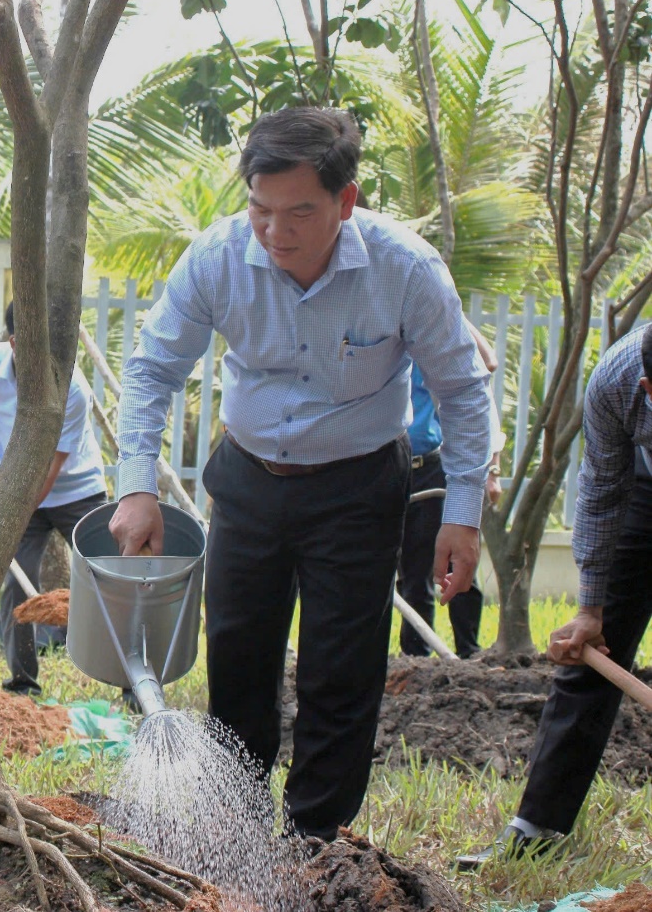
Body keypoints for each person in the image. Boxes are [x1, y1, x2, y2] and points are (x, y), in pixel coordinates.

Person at [111, 106, 492, 842]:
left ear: (344, 204)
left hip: (356, 489)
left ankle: (315, 841)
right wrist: (135, 484)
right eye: (259, 209)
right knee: (238, 658)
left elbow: (460, 389)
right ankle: (237, 828)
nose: (274, 232)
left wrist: (462, 512)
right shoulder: (216, 257)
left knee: (339, 672)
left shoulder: (403, 267)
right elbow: (152, 366)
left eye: (299, 213)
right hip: (247, 482)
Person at [456, 325, 652, 869]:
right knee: (596, 648)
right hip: (643, 485)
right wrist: (591, 609)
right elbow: (602, 491)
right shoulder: (617, 381)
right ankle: (536, 826)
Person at [0, 301, 108, 696]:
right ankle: (23, 681)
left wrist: (7, 512)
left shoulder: (73, 389)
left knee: (110, 579)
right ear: (15, 344)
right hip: (20, 485)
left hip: (78, 490)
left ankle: (129, 682)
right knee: (15, 582)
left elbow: (50, 466)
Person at [398, 329, 503, 659]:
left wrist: (493, 470)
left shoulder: (434, 338)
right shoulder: (380, 340)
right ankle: (416, 660)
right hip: (388, 467)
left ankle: (469, 652)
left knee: (455, 561)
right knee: (413, 572)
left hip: (432, 466)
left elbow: (487, 365)